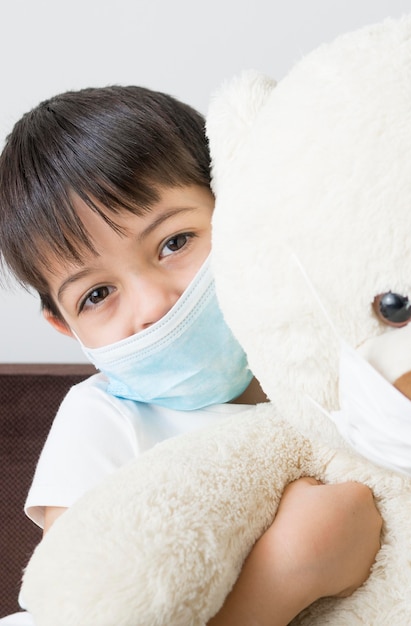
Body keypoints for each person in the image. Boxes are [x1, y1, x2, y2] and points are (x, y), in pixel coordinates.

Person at [0, 85, 382, 625]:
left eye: (175, 242)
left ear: (237, 208)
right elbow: (83, 610)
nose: (154, 304)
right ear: (65, 327)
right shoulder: (102, 422)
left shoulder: (342, 361)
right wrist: (289, 573)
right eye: (97, 295)